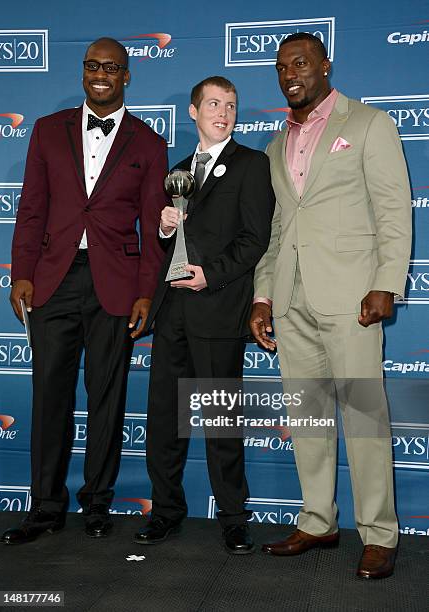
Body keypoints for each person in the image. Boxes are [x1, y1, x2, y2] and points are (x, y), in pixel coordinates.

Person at [250, 33, 411, 578]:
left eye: (300, 63)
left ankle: (380, 533)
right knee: (308, 417)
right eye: (281, 67)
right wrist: (264, 294)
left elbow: (393, 209)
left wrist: (387, 281)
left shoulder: (368, 124)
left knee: (365, 419)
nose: (290, 73)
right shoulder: (277, 144)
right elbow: (279, 228)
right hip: (293, 301)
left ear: (325, 65)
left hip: (353, 300)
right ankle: (317, 519)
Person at [0, 37, 167, 544]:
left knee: (107, 400)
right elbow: (30, 208)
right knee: (49, 396)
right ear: (83, 72)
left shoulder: (149, 144)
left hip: (115, 285)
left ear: (127, 76)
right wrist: (22, 272)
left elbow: (152, 229)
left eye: (111, 68)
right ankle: (45, 507)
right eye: (93, 66)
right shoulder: (48, 132)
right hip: (53, 280)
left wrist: (146, 293)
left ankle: (97, 503)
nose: (101, 74)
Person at [134, 76, 275, 554]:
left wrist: (209, 275)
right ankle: (165, 512)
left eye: (231, 105)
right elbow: (166, 245)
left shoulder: (252, 165)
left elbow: (256, 239)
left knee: (220, 423)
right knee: (163, 420)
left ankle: (234, 519)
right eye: (213, 104)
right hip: (173, 310)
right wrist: (162, 226)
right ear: (192, 112)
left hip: (217, 310)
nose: (224, 112)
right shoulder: (178, 171)